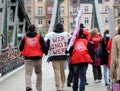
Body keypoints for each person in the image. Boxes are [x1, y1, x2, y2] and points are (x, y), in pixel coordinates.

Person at [19, 25, 48, 91]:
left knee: (28, 73)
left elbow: (20, 48)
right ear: (35, 29)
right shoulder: (39, 36)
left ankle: (28, 86)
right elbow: (44, 46)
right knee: (39, 73)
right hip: (38, 58)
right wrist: (45, 52)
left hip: (28, 58)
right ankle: (39, 88)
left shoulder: (25, 37)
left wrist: (25, 52)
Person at [45, 23, 70, 91]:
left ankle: (58, 86)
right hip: (64, 55)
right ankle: (61, 84)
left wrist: (46, 52)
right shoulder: (66, 34)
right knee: (62, 70)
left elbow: (46, 45)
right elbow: (70, 43)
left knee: (56, 70)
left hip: (54, 55)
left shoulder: (50, 35)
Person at [68, 23, 92, 91]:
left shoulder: (72, 41)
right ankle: (82, 89)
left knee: (75, 76)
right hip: (84, 59)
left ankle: (75, 89)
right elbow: (90, 50)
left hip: (75, 60)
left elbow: (68, 50)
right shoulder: (86, 41)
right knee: (82, 76)